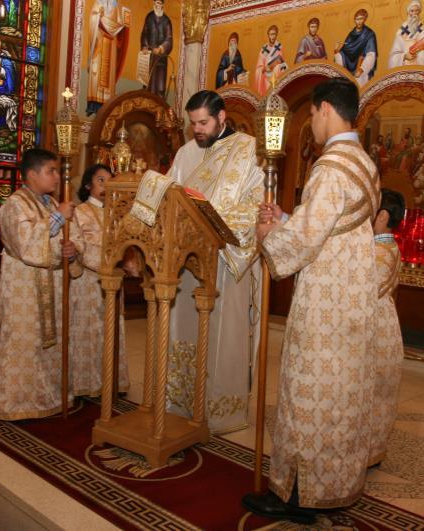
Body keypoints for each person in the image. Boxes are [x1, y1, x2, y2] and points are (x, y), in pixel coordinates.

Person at [243, 78, 380, 523]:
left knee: (309, 391)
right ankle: (335, 482)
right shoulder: (363, 163)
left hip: (326, 301)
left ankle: (297, 495)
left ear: (323, 110)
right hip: (354, 296)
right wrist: (287, 216)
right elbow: (333, 224)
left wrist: (269, 236)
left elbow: (303, 240)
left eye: (314, 118)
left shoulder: (330, 167)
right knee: (340, 394)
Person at [166, 90, 264, 433]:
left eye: (204, 122)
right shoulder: (185, 152)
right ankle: (181, 403)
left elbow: (257, 205)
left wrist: (214, 221)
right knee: (184, 330)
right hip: (187, 262)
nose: (198, 130)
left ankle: (221, 412)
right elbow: (170, 197)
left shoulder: (249, 150)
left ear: (222, 117)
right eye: (193, 123)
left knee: (223, 335)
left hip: (227, 261)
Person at [0, 148, 81, 420]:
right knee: (25, 344)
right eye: (51, 171)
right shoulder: (14, 204)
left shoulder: (53, 204)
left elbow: (71, 238)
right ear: (32, 174)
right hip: (24, 287)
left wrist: (72, 250)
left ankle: (49, 397)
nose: (57, 177)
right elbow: (25, 244)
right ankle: (17, 403)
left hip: (52, 285)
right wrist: (57, 219)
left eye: (56, 171)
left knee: (51, 345)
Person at [70, 164, 129, 397]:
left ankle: (111, 380)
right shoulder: (80, 211)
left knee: (111, 328)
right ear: (88, 185)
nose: (106, 185)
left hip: (113, 280)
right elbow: (82, 246)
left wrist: (127, 259)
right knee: (89, 329)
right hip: (89, 282)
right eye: (101, 180)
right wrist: (114, 256)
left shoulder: (117, 214)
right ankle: (87, 382)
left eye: (110, 181)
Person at [369, 189, 405, 467]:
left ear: (381, 216)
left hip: (377, 329)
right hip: (385, 324)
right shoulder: (388, 245)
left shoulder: (379, 251)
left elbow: (369, 289)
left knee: (373, 392)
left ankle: (368, 452)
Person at [86, 0, 129, 116]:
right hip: (100, 41)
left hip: (111, 46)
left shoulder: (117, 7)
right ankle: (93, 105)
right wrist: (98, 19)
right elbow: (93, 19)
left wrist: (125, 26)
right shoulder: (98, 3)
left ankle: (106, 106)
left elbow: (121, 27)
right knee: (97, 74)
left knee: (108, 76)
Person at [334, 9, 377, 87]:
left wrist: (362, 69)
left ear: (365, 19)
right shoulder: (351, 34)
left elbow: (371, 54)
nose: (359, 21)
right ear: (354, 20)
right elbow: (345, 51)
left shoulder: (369, 34)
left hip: (361, 67)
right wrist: (337, 51)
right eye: (357, 19)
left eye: (361, 19)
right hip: (348, 68)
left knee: (360, 84)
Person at [140, 0, 173, 97]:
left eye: (159, 3)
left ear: (163, 5)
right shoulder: (149, 17)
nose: (157, 5)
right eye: (156, 3)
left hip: (161, 58)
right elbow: (144, 33)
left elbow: (169, 39)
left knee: (160, 85)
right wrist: (144, 46)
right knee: (147, 84)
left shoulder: (167, 21)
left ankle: (158, 105)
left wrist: (161, 48)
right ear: (153, 3)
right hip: (149, 56)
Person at [388, 0, 424, 67]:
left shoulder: (422, 29)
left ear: (419, 12)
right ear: (408, 13)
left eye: (417, 11)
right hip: (404, 65)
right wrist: (404, 56)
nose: (414, 13)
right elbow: (394, 53)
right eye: (412, 11)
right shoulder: (401, 30)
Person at [255, 25, 288, 96]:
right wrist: (264, 68)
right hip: (266, 77)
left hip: (276, 74)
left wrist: (276, 66)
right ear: (268, 35)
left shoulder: (279, 47)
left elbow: (282, 62)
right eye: (271, 34)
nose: (273, 36)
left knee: (278, 68)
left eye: (274, 34)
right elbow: (259, 67)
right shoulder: (264, 49)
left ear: (276, 35)